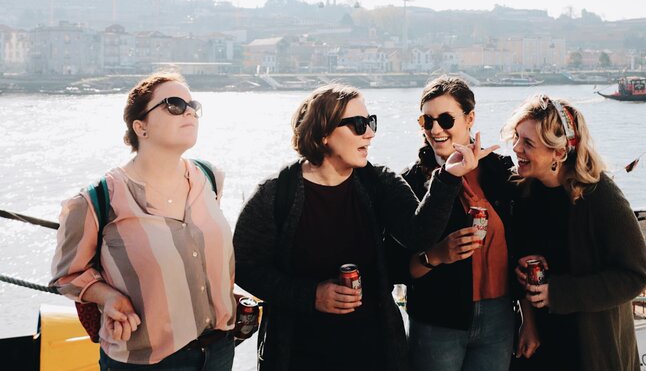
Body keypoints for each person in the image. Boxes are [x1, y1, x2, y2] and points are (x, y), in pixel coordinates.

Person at [233, 82, 496, 371]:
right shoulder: (276, 194)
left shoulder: (377, 182)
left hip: (375, 352)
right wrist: (311, 296)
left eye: (371, 122)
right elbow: (244, 266)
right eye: (358, 124)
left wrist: (448, 178)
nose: (370, 134)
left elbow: (418, 235)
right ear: (323, 133)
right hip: (298, 355)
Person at [51, 72, 236, 370]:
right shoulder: (96, 200)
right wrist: (108, 297)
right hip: (146, 361)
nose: (189, 111)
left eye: (193, 105)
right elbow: (66, 275)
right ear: (141, 127)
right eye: (174, 104)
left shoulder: (210, 178)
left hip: (219, 351)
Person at [505, 94, 646, 371]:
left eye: (527, 143)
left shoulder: (599, 195)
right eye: (516, 137)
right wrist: (529, 319)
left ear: (558, 153)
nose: (516, 148)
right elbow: (518, 255)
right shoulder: (522, 189)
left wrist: (558, 293)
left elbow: (637, 275)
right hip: (540, 343)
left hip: (591, 347)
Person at [389, 76, 516, 371]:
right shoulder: (409, 183)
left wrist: (530, 320)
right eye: (427, 121)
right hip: (437, 321)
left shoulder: (499, 171)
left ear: (470, 118)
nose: (435, 130)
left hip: (500, 315)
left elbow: (523, 244)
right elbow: (394, 266)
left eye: (445, 119)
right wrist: (437, 255)